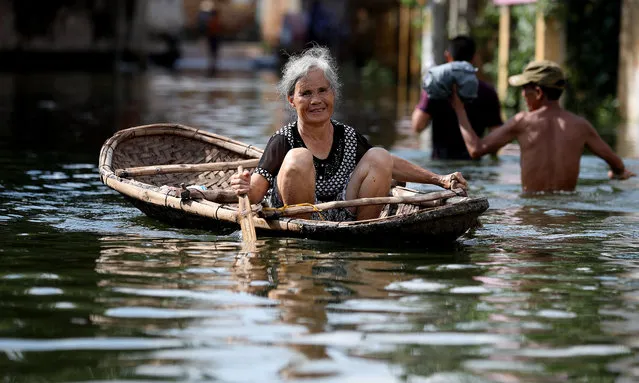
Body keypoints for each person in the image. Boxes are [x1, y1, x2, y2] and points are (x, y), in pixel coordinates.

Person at [230, 47, 467, 221]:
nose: (316, 100)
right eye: (306, 93)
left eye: (323, 91)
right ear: (292, 100)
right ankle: (305, 240)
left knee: (380, 155)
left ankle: (365, 230)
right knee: (299, 157)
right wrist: (243, 186)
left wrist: (440, 180)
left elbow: (390, 165)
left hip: (344, 217)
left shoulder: (348, 137)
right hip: (298, 220)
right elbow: (255, 194)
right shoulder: (283, 140)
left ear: (333, 94)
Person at [451, 60, 635, 193]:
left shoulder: (523, 121)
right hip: (567, 216)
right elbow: (617, 164)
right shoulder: (581, 126)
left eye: (525, 89)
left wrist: (459, 108)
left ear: (538, 92)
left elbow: (476, 149)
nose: (522, 95)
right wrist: (617, 173)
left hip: (532, 213)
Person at [412, 35, 503, 160]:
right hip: (474, 166)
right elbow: (497, 139)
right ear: (474, 57)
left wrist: (429, 91)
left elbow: (417, 126)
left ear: (447, 56)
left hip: (440, 169)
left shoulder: (436, 89)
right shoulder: (487, 92)